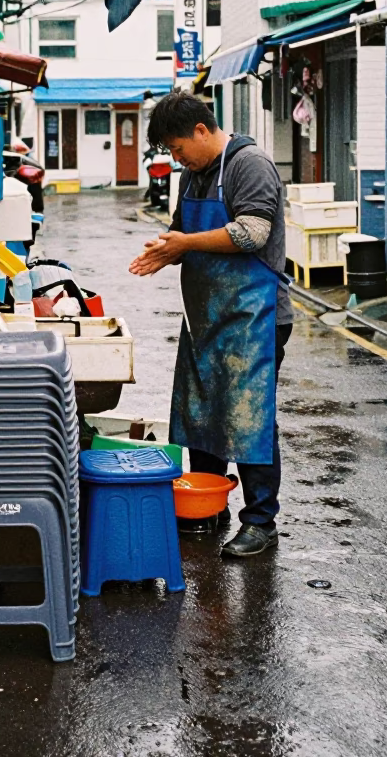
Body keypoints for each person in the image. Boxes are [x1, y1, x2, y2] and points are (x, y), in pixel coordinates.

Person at [129, 90, 293, 557]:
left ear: (202, 130)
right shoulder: (193, 175)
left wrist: (183, 244)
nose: (177, 158)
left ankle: (261, 521)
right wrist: (165, 253)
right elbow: (185, 234)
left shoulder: (249, 164)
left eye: (178, 148)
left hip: (254, 317)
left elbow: (251, 233)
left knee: (249, 417)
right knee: (200, 413)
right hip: (205, 317)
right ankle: (209, 503)